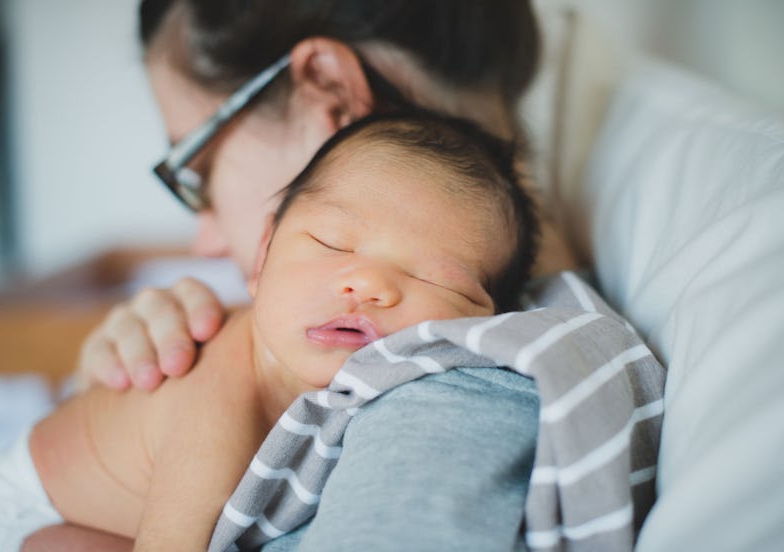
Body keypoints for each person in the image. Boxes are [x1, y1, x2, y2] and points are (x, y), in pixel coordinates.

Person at [32, 0, 570, 548]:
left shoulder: (468, 386)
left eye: (199, 171)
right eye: (330, 243)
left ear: (329, 93)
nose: (205, 241)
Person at [0, 110, 540, 551]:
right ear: (262, 258)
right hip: (26, 518)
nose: (367, 284)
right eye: (331, 243)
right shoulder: (219, 401)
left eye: (433, 278)